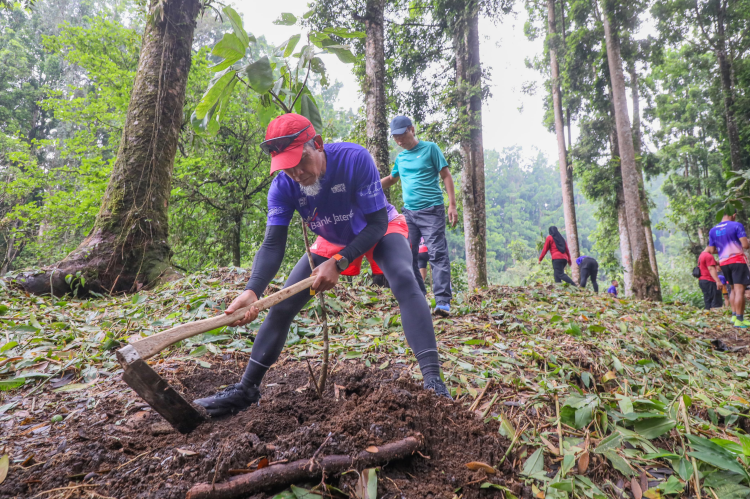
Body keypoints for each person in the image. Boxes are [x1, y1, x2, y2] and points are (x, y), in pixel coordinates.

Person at [194, 114, 451, 417]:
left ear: (317, 144)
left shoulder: (354, 159)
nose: (296, 173)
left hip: (376, 228)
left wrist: (339, 263)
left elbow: (377, 223)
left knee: (405, 279)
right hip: (331, 239)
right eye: (286, 167)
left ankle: (433, 382)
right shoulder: (283, 186)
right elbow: (273, 244)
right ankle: (246, 389)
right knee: (283, 305)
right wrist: (253, 290)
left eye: (300, 161)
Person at [381, 116, 457, 317]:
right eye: (395, 137)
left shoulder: (430, 149)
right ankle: (419, 298)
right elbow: (392, 179)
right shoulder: (401, 158)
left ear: (412, 130)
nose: (399, 141)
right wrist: (369, 187)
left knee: (437, 253)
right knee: (409, 255)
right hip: (410, 214)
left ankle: (442, 302)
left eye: (401, 135)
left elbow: (446, 175)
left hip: (432, 211)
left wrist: (452, 205)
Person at [707, 210, 750, 328]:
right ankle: (740, 320)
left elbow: (712, 250)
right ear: (733, 214)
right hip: (737, 261)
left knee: (733, 289)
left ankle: (734, 316)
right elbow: (745, 245)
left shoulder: (713, 230)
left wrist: (725, 249)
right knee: (740, 290)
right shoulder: (736, 225)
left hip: (724, 263)